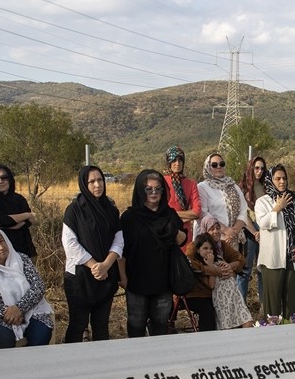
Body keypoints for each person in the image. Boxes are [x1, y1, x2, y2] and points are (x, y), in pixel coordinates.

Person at [120, 169, 187, 337]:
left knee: (160, 326)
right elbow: (121, 251)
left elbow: (182, 240)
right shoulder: (129, 217)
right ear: (140, 191)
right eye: (148, 189)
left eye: (158, 189)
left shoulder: (169, 214)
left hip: (162, 282)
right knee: (136, 325)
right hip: (136, 282)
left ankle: (159, 362)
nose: (154, 193)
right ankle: (138, 361)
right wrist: (123, 278)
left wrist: (174, 230)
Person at [62, 165, 123, 343]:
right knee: (78, 324)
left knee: (101, 324)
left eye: (100, 180)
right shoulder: (74, 210)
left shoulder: (111, 210)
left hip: (106, 277)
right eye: (92, 181)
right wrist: (94, 266)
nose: (97, 185)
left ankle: (102, 367)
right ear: (84, 184)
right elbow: (70, 243)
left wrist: (106, 265)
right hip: (80, 279)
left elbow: (119, 240)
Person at [0, 226, 54, 348]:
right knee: (4, 339)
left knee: (42, 332)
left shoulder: (21, 259)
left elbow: (38, 286)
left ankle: (33, 365)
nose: (1, 247)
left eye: (2, 241)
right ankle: (9, 367)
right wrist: (5, 312)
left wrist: (19, 308)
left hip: (29, 311)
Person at [255, 164, 295, 321]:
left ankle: (291, 330)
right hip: (273, 258)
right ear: (270, 180)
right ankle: (272, 333)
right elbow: (263, 223)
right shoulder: (263, 202)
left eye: (284, 178)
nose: (282, 182)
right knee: (272, 303)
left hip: (294, 256)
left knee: (292, 301)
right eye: (278, 178)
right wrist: (277, 208)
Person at [190, 226, 251, 330]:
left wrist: (228, 267)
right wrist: (212, 268)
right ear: (198, 249)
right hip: (221, 297)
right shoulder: (199, 262)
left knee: (247, 320)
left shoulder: (219, 257)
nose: (208, 251)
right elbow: (212, 284)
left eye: (210, 248)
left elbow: (239, 260)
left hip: (234, 293)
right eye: (205, 248)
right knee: (226, 324)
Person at [0, 164, 36, 258]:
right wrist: (28, 215)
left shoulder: (19, 199)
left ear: (10, 179)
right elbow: (4, 221)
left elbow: (28, 223)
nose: (0, 181)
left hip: (23, 250)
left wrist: (2, 226)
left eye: (4, 178)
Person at [238, 156, 268, 301]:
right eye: (256, 168)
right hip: (248, 232)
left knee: (262, 269)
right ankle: (241, 306)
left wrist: (262, 232)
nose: (259, 171)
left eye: (262, 168)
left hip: (265, 231)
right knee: (245, 270)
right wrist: (254, 232)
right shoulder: (243, 188)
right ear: (251, 168)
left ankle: (264, 305)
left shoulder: (267, 187)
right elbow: (242, 213)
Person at [163, 146, 201, 248]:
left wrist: (171, 214)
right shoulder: (162, 181)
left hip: (185, 234)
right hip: (164, 231)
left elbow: (197, 212)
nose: (177, 163)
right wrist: (185, 216)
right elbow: (160, 211)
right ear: (169, 162)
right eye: (174, 160)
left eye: (180, 160)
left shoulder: (191, 183)